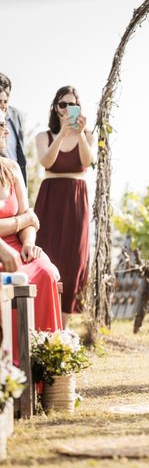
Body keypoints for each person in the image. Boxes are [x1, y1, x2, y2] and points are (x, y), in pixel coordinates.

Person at [0, 110, 62, 366]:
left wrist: (28, 243)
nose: (5, 130)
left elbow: (29, 217)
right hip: (2, 251)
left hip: (18, 246)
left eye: (4, 125)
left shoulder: (11, 168)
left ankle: (48, 366)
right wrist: (21, 221)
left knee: (45, 272)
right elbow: (26, 217)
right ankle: (12, 367)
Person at [34, 87, 92, 330]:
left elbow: (87, 162)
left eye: (72, 104)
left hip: (77, 198)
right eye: (62, 104)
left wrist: (78, 134)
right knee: (47, 254)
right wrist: (62, 134)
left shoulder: (86, 134)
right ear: (55, 108)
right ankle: (45, 323)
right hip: (50, 199)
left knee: (74, 259)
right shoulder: (43, 136)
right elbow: (46, 161)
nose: (67, 109)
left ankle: (64, 327)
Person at [0, 73, 27, 184]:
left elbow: (21, 154)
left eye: (5, 101)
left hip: (14, 179)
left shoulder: (17, 116)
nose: (3, 106)